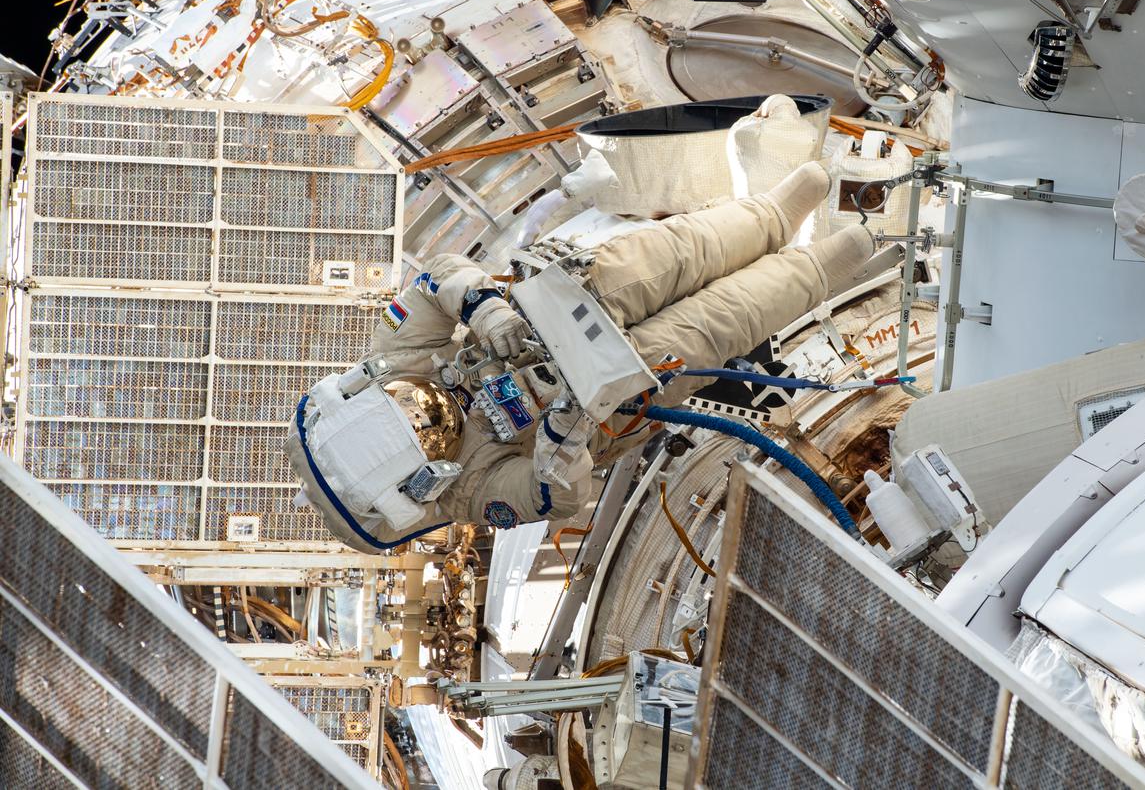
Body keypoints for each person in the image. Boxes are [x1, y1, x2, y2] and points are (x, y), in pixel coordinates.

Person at [286, 161, 883, 551]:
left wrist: (484, 310)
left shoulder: (393, 362)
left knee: (680, 250)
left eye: (413, 406)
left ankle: (774, 214)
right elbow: (556, 496)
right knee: (723, 321)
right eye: (428, 432)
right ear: (420, 484)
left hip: (566, 307)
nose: (430, 411)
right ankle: (817, 268)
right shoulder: (471, 494)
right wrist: (562, 438)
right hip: (612, 392)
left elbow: (435, 279)